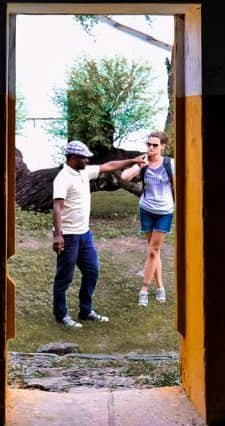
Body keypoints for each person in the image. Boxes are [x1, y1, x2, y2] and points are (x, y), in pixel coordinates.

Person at [52, 140, 145, 328]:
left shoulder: (83, 172)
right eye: (83, 157)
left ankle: (85, 311)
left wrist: (132, 161)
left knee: (92, 271)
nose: (87, 160)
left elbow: (108, 166)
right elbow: (57, 208)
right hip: (68, 236)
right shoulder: (63, 178)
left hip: (84, 234)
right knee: (65, 276)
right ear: (72, 158)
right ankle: (61, 315)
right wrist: (57, 235)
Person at [121, 131, 175, 307]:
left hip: (164, 211)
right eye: (149, 144)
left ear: (163, 146)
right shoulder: (143, 163)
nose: (151, 148)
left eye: (155, 145)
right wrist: (139, 162)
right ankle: (160, 287)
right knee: (154, 251)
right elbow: (124, 177)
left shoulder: (169, 164)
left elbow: (177, 186)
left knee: (153, 251)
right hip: (146, 210)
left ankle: (144, 289)